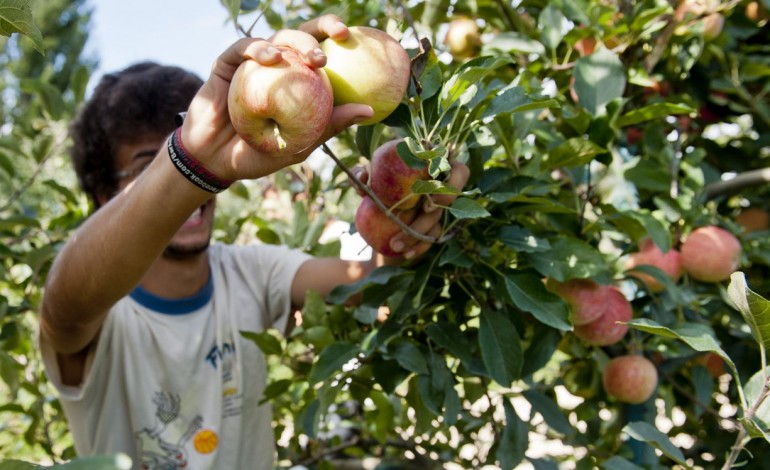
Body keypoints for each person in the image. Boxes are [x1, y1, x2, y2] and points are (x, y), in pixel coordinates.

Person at [38, 15, 469, 470]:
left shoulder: (248, 273)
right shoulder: (105, 315)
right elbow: (65, 308)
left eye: (177, 147)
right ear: (105, 195)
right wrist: (191, 162)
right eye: (149, 165)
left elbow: (372, 283)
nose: (187, 192)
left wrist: (410, 206)